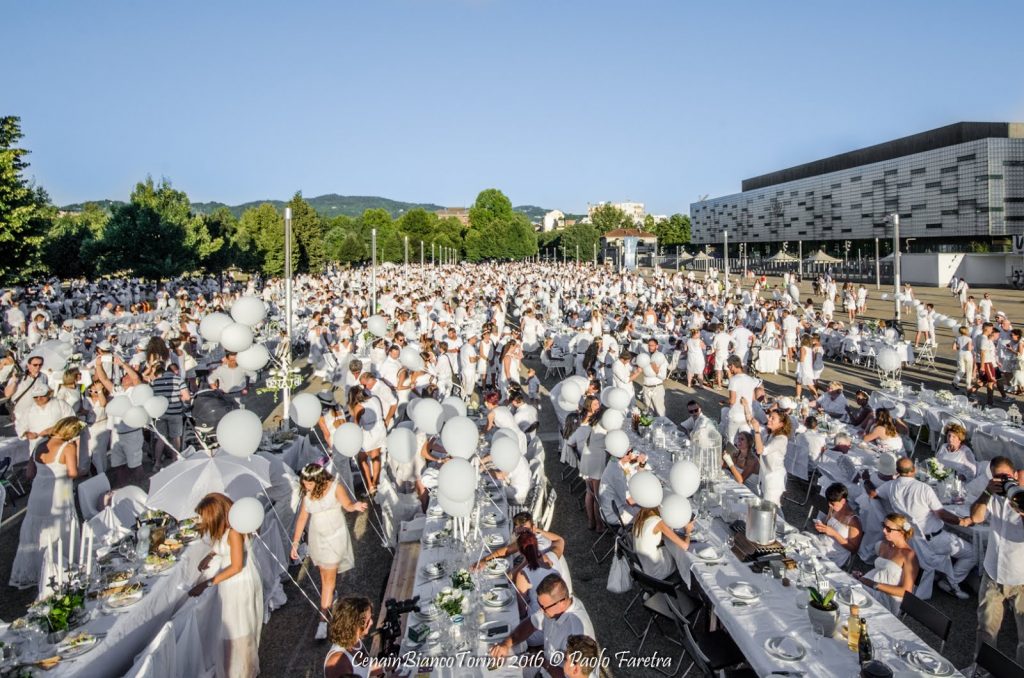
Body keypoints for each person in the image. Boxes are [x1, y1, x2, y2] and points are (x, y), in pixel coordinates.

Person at [869, 456, 976, 599]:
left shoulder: (891, 486)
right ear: (913, 470)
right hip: (932, 541)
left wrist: (866, 482)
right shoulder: (924, 488)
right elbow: (941, 514)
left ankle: (939, 573)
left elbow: (873, 494)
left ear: (897, 471)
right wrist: (962, 522)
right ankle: (951, 582)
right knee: (972, 553)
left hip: (910, 539)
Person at [188, 493, 264, 678]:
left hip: (239, 585)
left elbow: (237, 566)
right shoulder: (226, 529)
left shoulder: (235, 532)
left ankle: (245, 672)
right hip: (230, 585)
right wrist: (211, 554)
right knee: (231, 633)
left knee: (240, 632)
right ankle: (232, 671)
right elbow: (223, 546)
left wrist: (207, 583)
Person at [291, 463, 368, 639]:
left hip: (335, 537)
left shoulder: (335, 487)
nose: (305, 486)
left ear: (317, 479)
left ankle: (323, 620)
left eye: (308, 483)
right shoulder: (307, 493)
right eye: (304, 483)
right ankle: (331, 596)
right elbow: (303, 517)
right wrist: (295, 542)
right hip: (317, 538)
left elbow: (347, 504)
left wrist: (355, 506)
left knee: (328, 580)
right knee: (325, 576)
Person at [8, 417, 83, 589]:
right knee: (60, 526)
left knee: (34, 530)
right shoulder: (68, 447)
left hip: (38, 492)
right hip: (59, 492)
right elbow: (72, 473)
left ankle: (33, 570)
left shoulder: (39, 445)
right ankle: (61, 565)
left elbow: (28, 474)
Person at [969, 456, 1024, 665]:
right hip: (993, 573)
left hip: (1021, 577)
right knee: (985, 629)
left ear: (1016, 474)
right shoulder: (992, 496)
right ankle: (983, 669)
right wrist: (987, 491)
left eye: (1006, 477)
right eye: (997, 478)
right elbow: (975, 517)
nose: (1003, 481)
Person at [488, 573, 595, 677]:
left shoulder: (578, 631)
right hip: (544, 667)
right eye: (539, 604)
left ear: (561, 603)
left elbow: (574, 675)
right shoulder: (553, 608)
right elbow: (530, 624)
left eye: (544, 607)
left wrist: (543, 662)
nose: (540, 610)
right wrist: (506, 644)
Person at [854, 513, 920, 615]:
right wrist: (863, 578)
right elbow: (883, 572)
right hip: (870, 587)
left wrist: (874, 585)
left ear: (901, 532)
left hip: (887, 598)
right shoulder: (883, 545)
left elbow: (906, 591)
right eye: (883, 526)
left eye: (889, 529)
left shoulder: (909, 555)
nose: (884, 530)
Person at [323, 596, 386, 678]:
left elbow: (367, 668)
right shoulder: (338, 663)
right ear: (355, 626)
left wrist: (400, 662)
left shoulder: (355, 641)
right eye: (368, 620)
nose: (371, 622)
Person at [743, 398, 789, 507]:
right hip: (765, 474)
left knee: (771, 506)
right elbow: (751, 422)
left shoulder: (781, 439)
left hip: (774, 477)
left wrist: (757, 431)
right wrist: (745, 405)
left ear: (781, 424)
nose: (769, 419)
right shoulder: (769, 434)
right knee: (768, 506)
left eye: (773, 418)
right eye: (770, 417)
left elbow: (761, 450)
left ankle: (779, 524)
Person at [632, 505, 693, 579]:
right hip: (654, 572)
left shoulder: (640, 516)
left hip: (642, 566)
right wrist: (688, 531)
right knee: (678, 553)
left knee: (671, 547)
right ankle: (687, 576)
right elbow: (685, 546)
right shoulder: (658, 522)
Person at [813, 483, 863, 568]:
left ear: (843, 501)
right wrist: (821, 527)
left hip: (836, 552)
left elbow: (854, 549)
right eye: (829, 502)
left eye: (832, 503)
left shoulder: (854, 521)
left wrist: (834, 534)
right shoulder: (833, 509)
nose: (829, 505)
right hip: (823, 542)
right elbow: (827, 524)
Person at [723, 355, 757, 442]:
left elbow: (732, 401)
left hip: (736, 415)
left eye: (728, 366)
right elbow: (753, 398)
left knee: (731, 440)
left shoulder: (733, 380)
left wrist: (724, 402)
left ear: (732, 366)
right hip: (748, 414)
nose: (728, 368)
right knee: (745, 442)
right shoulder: (751, 379)